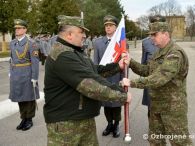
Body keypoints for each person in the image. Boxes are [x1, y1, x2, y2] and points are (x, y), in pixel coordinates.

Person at [43, 15, 131, 146]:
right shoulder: (62, 55)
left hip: (82, 119)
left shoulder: (75, 51)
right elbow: (90, 85)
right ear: (69, 34)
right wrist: (122, 95)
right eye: (81, 32)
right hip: (66, 125)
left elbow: (93, 70)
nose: (84, 35)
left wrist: (117, 66)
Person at [121, 17, 192, 146]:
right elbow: (148, 70)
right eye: (151, 35)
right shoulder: (159, 52)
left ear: (165, 34)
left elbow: (160, 77)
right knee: (155, 141)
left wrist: (132, 83)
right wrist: (131, 62)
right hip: (156, 106)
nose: (152, 38)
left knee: (180, 142)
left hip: (172, 108)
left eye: (155, 34)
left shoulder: (175, 53)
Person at [93, 15, 126, 138]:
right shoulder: (97, 42)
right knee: (106, 103)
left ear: (116, 27)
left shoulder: (121, 42)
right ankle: (109, 124)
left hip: (117, 76)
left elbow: (124, 63)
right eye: (106, 25)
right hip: (104, 77)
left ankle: (116, 124)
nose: (108, 27)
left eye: (111, 25)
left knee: (116, 103)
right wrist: (96, 78)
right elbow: (96, 62)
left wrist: (123, 78)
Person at [9, 19, 40, 131]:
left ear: (25, 29)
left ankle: (29, 119)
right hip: (16, 74)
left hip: (27, 73)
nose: (17, 30)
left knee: (29, 97)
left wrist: (34, 77)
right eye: (16, 28)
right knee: (19, 97)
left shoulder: (31, 43)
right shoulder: (12, 42)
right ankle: (23, 118)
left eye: (19, 28)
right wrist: (10, 72)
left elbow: (35, 62)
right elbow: (11, 59)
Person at [141, 15, 166, 117]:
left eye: (160, 25)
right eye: (154, 24)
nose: (157, 27)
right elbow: (144, 62)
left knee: (164, 112)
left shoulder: (169, 41)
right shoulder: (146, 42)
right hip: (150, 80)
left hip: (164, 81)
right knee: (151, 110)